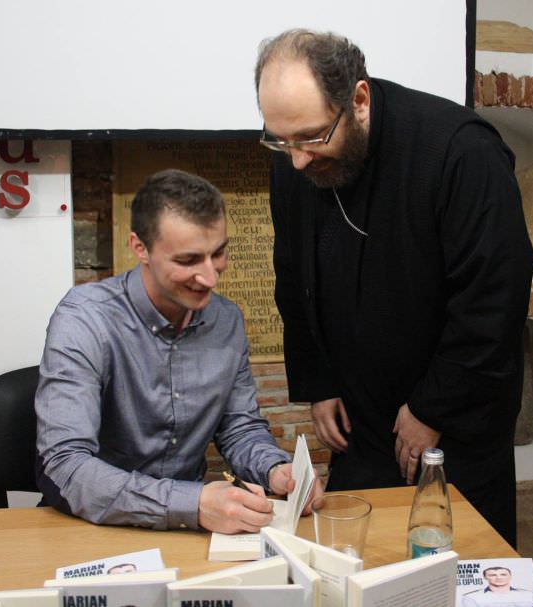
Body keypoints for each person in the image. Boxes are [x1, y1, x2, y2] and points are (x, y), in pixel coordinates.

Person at [254, 29, 533, 545]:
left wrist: (431, 409)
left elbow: (493, 301)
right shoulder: (296, 151)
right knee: (359, 556)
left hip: (454, 420)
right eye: (280, 140)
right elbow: (292, 274)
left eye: (312, 138)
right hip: (360, 420)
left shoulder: (460, 152)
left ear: (358, 100)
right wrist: (319, 382)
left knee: (456, 560)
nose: (295, 160)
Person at [35, 169, 321, 534]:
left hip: (188, 529)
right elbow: (66, 466)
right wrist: (192, 504)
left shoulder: (225, 319)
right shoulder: (85, 318)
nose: (210, 278)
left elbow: (238, 427)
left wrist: (276, 470)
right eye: (188, 261)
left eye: (218, 253)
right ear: (140, 248)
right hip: (94, 525)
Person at [462, 566, 533, 607]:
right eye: (492, 575)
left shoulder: (530, 595)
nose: (498, 577)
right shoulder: (471, 597)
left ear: (510, 576)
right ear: (485, 577)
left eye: (503, 574)